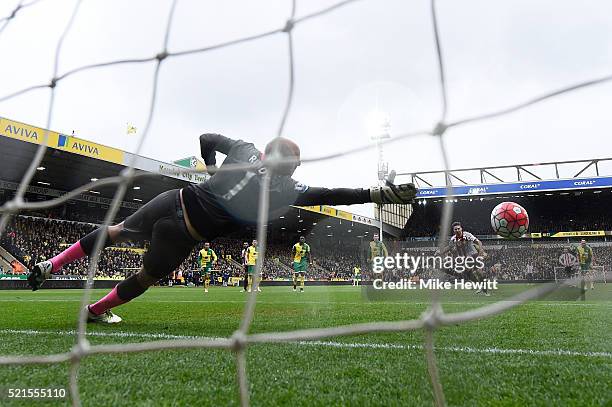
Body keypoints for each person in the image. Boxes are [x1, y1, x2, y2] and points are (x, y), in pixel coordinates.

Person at [27, 134, 417, 323]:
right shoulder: (284, 187)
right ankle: (96, 310)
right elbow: (333, 194)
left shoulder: (245, 149)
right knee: (145, 276)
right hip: (186, 234)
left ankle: (52, 264)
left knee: (115, 231)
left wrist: (210, 164)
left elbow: (206, 138)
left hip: (175, 200)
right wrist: (374, 192)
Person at [437, 221, 489, 295]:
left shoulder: (467, 235)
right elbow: (449, 247)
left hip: (473, 255)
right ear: (453, 231)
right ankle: (480, 286)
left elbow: (479, 242)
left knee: (478, 272)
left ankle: (484, 289)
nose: (457, 230)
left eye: (458, 228)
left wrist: (480, 251)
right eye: (455, 229)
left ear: (461, 229)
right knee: (469, 273)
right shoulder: (453, 239)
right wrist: (440, 252)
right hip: (465, 258)